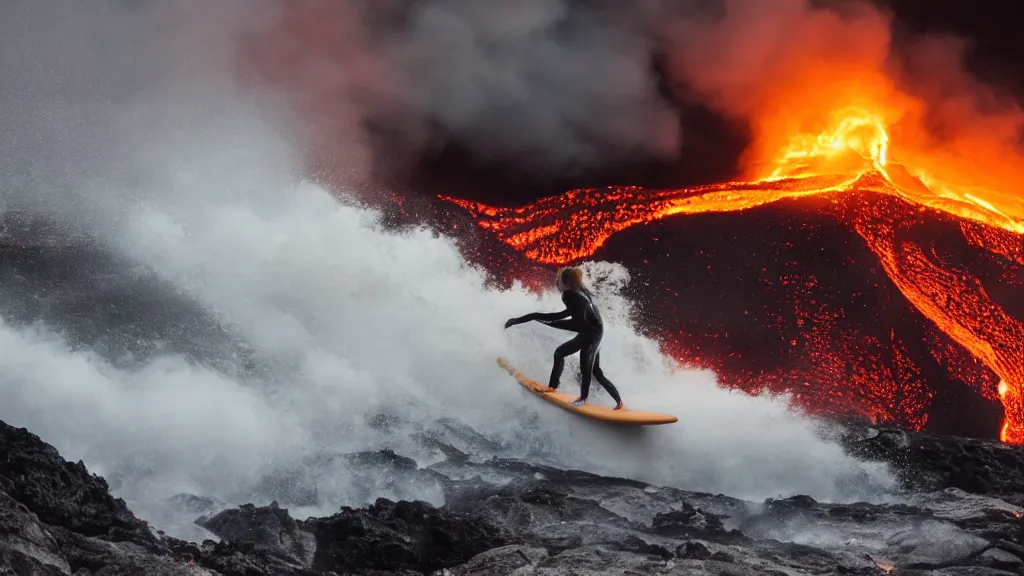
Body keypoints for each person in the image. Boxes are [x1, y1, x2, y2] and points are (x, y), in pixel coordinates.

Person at [504, 266, 624, 409]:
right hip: (596, 331)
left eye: (558, 280)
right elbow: (566, 315)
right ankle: (619, 402)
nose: (556, 283)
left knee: (580, 364)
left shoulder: (569, 295)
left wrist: (544, 321)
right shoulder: (578, 291)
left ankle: (582, 398)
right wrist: (534, 317)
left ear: (566, 283)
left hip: (591, 333)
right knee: (594, 370)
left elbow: (575, 323)